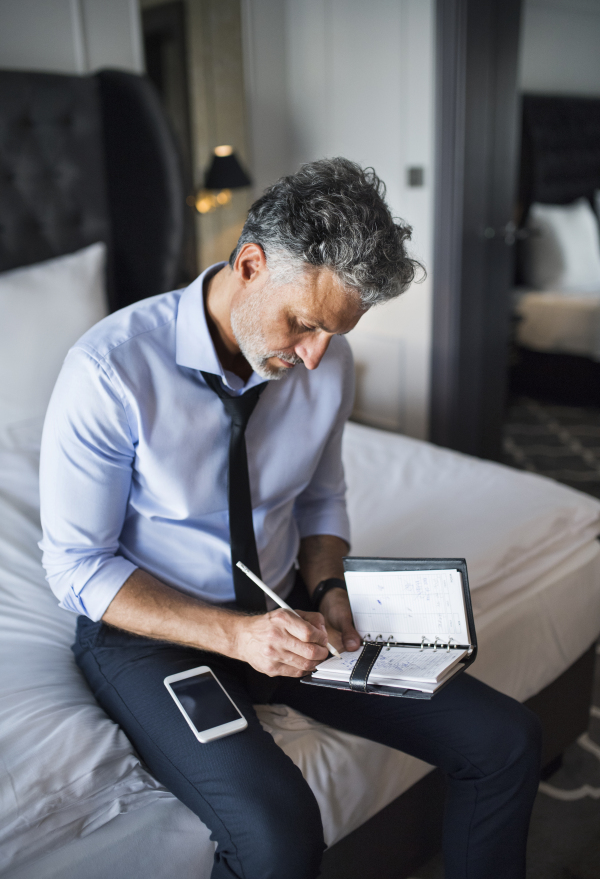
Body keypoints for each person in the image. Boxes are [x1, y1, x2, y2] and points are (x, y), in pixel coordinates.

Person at [40, 157, 541, 879]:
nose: (314, 357)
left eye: (332, 334)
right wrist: (238, 637)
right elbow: (77, 566)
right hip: (151, 635)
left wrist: (330, 589)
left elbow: (319, 497)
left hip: (288, 607)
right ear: (250, 265)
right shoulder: (109, 372)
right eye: (304, 324)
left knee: (507, 738)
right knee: (280, 838)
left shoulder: (323, 361)